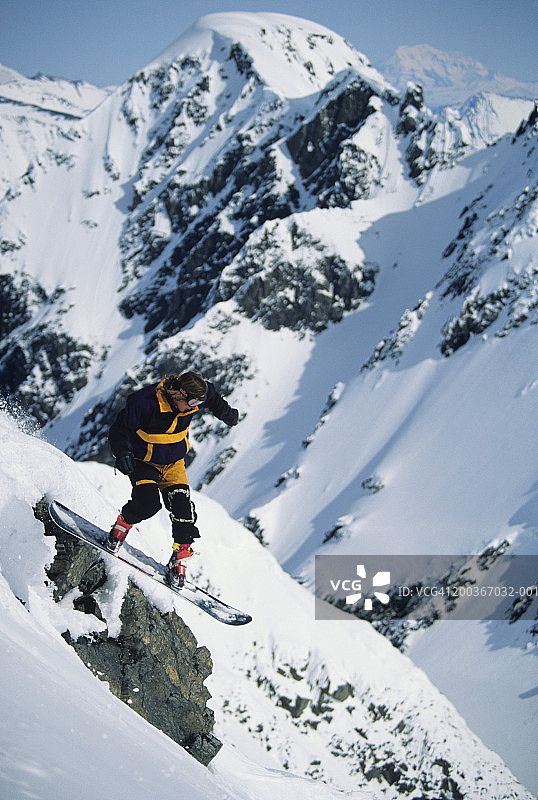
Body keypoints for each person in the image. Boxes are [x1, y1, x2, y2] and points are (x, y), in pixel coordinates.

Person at [107, 371, 239, 588]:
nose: (194, 407)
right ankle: (120, 528)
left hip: (173, 463)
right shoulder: (146, 402)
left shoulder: (195, 399)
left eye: (198, 402)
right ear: (178, 394)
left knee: (184, 512)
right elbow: (119, 428)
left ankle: (179, 561)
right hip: (144, 461)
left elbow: (213, 398)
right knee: (147, 504)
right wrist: (122, 453)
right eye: (191, 402)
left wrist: (228, 414)